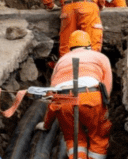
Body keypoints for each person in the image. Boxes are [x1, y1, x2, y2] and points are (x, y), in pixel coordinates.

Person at [35, 30, 113, 159]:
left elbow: (52, 95)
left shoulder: (61, 61)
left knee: (73, 138)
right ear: (89, 44)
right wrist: (105, 107)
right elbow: (107, 86)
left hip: (64, 101)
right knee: (98, 136)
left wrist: (46, 124)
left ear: (70, 47)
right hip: (91, 97)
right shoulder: (100, 57)